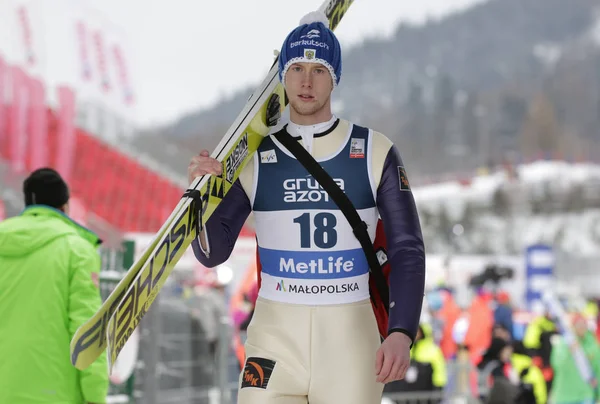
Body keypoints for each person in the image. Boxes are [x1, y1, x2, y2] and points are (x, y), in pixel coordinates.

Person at [188, 10, 426, 404]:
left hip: (350, 342)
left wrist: (401, 330)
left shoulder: (373, 150)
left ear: (335, 76)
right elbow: (211, 253)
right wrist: (202, 192)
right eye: (296, 67)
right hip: (274, 341)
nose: (306, 80)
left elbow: (407, 248)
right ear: (283, 75)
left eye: (318, 69)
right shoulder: (254, 155)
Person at [0, 168, 108, 404]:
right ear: (65, 206)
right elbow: (87, 330)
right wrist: (95, 395)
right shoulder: (77, 250)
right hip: (56, 394)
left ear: (28, 202)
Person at [549, 313, 600, 404]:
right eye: (577, 325)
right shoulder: (563, 343)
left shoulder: (591, 344)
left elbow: (597, 369)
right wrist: (569, 351)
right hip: (564, 395)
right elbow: (557, 365)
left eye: (583, 324)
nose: (581, 327)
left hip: (586, 394)